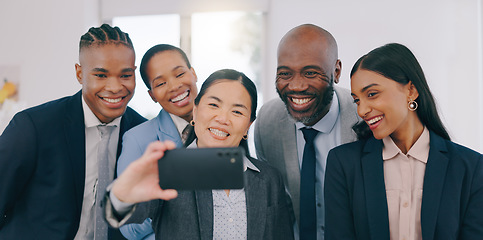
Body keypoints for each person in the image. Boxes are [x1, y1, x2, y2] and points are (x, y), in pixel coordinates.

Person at [105, 69, 295, 239]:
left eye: (237, 111)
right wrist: (123, 194)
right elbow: (126, 214)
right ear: (195, 111)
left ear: (248, 126)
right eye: (214, 105)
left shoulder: (270, 179)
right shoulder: (170, 169)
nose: (222, 118)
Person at [0, 24, 146, 239]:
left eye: (125, 75)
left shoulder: (142, 133)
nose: (115, 87)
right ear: (80, 73)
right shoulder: (32, 127)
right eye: (101, 75)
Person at [324, 43, 483, 240]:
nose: (361, 110)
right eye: (357, 100)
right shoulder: (344, 164)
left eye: (371, 94)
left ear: (411, 91)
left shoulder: (471, 167)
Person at [254, 24, 359, 239]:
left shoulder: (363, 116)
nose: (297, 86)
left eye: (310, 73)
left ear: (336, 71)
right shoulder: (267, 121)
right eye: (285, 73)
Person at [116, 44, 198, 240]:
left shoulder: (223, 125)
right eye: (160, 84)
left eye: (179, 75)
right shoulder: (137, 140)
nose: (174, 86)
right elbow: (128, 227)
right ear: (152, 95)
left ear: (193, 73)